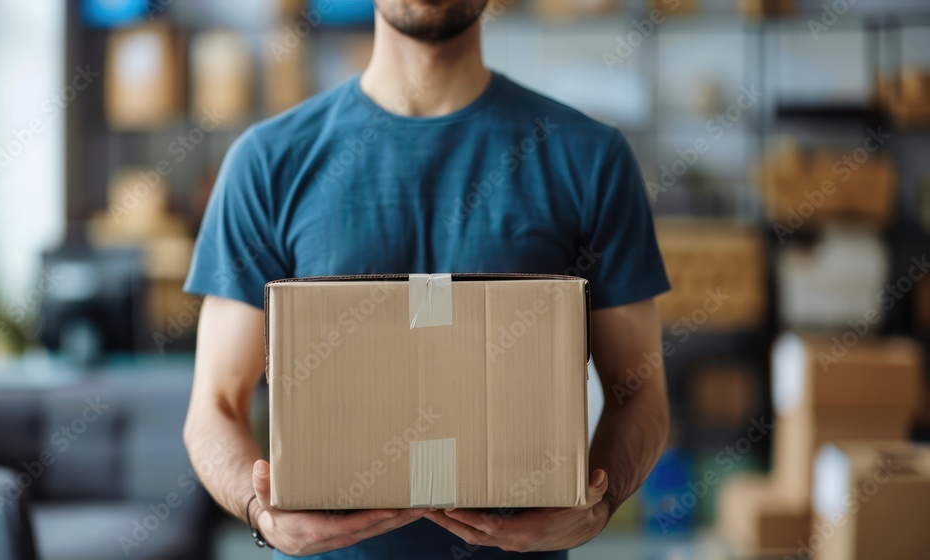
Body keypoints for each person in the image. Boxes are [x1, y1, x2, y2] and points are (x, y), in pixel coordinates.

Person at [182, 0, 671, 557]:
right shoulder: (267, 162)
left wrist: (597, 510)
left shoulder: (589, 157)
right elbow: (215, 406)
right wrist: (260, 512)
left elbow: (640, 390)